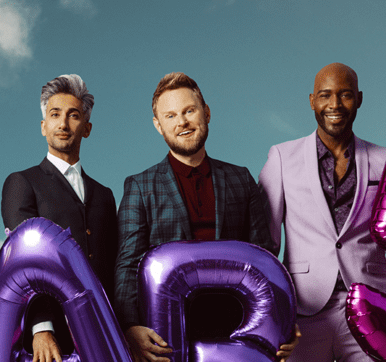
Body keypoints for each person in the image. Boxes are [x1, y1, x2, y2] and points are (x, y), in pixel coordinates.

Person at [113, 72, 296, 362]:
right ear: (158, 126)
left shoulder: (241, 179)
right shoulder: (139, 186)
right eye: (171, 115)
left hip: (238, 333)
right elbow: (127, 265)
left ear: (206, 113)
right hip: (168, 336)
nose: (182, 122)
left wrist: (281, 322)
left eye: (189, 111)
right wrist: (129, 327)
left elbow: (265, 256)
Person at [258, 63, 386, 361]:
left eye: (345, 95)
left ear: (359, 99)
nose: (335, 104)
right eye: (325, 95)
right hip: (303, 313)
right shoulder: (282, 157)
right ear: (312, 101)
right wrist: (269, 314)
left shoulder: (385, 160)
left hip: (371, 308)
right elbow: (266, 245)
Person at [1, 74, 117, 362]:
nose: (63, 124)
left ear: (87, 128)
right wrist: (41, 328)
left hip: (105, 335)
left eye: (73, 115)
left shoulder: (105, 195)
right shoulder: (22, 183)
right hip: (50, 341)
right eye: (55, 115)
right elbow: (25, 263)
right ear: (43, 126)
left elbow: (115, 265)